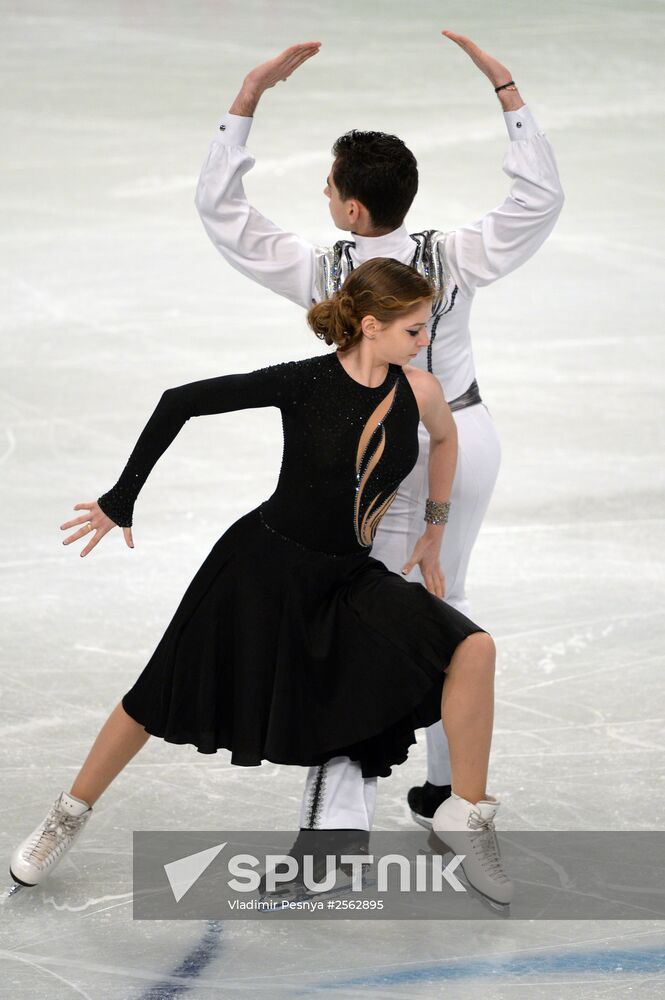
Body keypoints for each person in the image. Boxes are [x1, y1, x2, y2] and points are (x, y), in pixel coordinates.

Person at [10, 259, 511, 906]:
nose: (424, 341)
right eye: (414, 330)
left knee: (473, 649)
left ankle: (465, 816)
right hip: (259, 569)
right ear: (369, 326)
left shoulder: (421, 392)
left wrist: (435, 527)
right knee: (154, 699)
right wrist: (121, 497)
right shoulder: (303, 383)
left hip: (348, 581)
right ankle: (66, 816)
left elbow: (445, 443)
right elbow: (179, 402)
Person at [194, 31, 564, 834]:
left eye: (330, 191)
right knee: (445, 598)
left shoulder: (323, 271)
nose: (326, 199)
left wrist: (248, 97)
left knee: (362, 611)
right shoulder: (455, 254)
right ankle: (442, 791)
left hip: (374, 454)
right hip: (465, 435)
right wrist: (504, 87)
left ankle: (345, 802)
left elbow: (223, 216)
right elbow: (538, 201)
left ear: (353, 207)